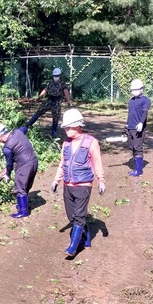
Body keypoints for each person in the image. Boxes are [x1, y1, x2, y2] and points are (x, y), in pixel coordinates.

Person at [51, 109, 106, 257]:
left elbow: (97, 162)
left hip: (83, 184)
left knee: (80, 214)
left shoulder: (91, 142)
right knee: (72, 216)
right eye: (65, 127)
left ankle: (73, 247)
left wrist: (101, 180)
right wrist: (56, 180)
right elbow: (63, 163)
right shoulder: (66, 144)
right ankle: (86, 239)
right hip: (68, 184)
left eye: (69, 127)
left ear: (78, 126)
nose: (66, 130)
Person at [0, 123, 39, 218]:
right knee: (26, 184)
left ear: (0, 137)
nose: (0, 142)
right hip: (34, 161)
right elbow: (25, 127)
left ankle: (23, 212)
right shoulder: (18, 132)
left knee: (20, 187)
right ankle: (22, 205)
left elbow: (9, 164)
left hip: (24, 165)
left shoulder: (7, 148)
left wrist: (7, 174)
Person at [26, 67, 73, 138]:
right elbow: (45, 90)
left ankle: (54, 132)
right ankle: (28, 125)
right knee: (39, 111)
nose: (55, 77)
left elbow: (66, 92)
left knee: (56, 117)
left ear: (59, 76)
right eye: (54, 76)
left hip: (57, 102)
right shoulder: (50, 82)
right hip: (49, 100)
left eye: (57, 76)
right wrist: (39, 97)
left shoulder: (62, 83)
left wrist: (68, 101)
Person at [126, 78, 151, 177]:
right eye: (133, 90)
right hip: (130, 127)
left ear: (141, 89)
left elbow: (144, 112)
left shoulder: (146, 101)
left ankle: (139, 170)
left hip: (138, 128)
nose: (134, 91)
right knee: (132, 147)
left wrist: (141, 123)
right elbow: (130, 113)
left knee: (137, 148)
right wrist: (127, 124)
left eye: (136, 89)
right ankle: (135, 167)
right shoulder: (131, 101)